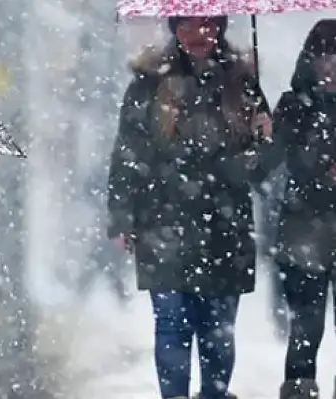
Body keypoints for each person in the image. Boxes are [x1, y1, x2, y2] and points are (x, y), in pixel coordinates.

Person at [107, 16, 272, 399]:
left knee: (218, 328)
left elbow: (260, 171)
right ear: (174, 29)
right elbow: (127, 154)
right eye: (188, 27)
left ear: (221, 27)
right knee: (171, 322)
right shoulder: (147, 83)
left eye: (209, 25)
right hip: (162, 220)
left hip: (224, 224)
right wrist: (122, 216)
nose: (199, 35)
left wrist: (265, 138)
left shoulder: (242, 83)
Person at [271, 19, 336, 399]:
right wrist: (259, 129)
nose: (330, 66)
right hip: (304, 230)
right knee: (306, 327)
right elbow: (264, 165)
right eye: (325, 57)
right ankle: (299, 390)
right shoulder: (295, 105)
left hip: (310, 226)